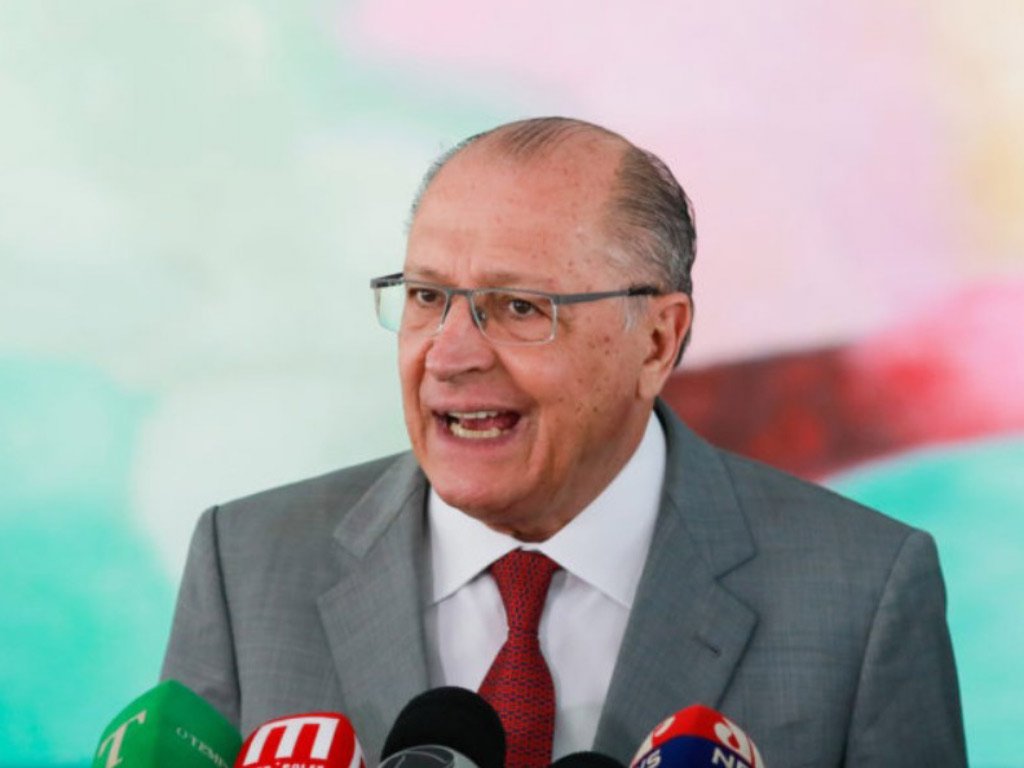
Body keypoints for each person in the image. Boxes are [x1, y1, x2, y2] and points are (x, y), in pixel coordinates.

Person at [162, 118, 966, 767]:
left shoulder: (862, 594)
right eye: (428, 296)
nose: (449, 354)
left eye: (519, 307)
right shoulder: (247, 563)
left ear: (657, 341)